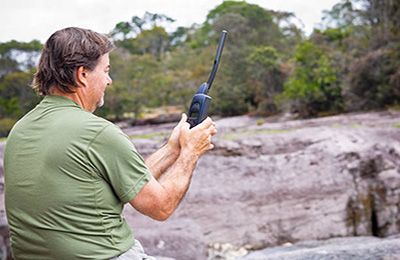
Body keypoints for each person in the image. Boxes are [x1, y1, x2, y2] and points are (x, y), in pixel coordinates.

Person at [4, 27, 217, 260]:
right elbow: (161, 206)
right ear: (82, 74)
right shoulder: (97, 133)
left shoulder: (20, 130)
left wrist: (172, 148)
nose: (109, 80)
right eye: (105, 70)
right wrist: (191, 152)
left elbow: (128, 184)